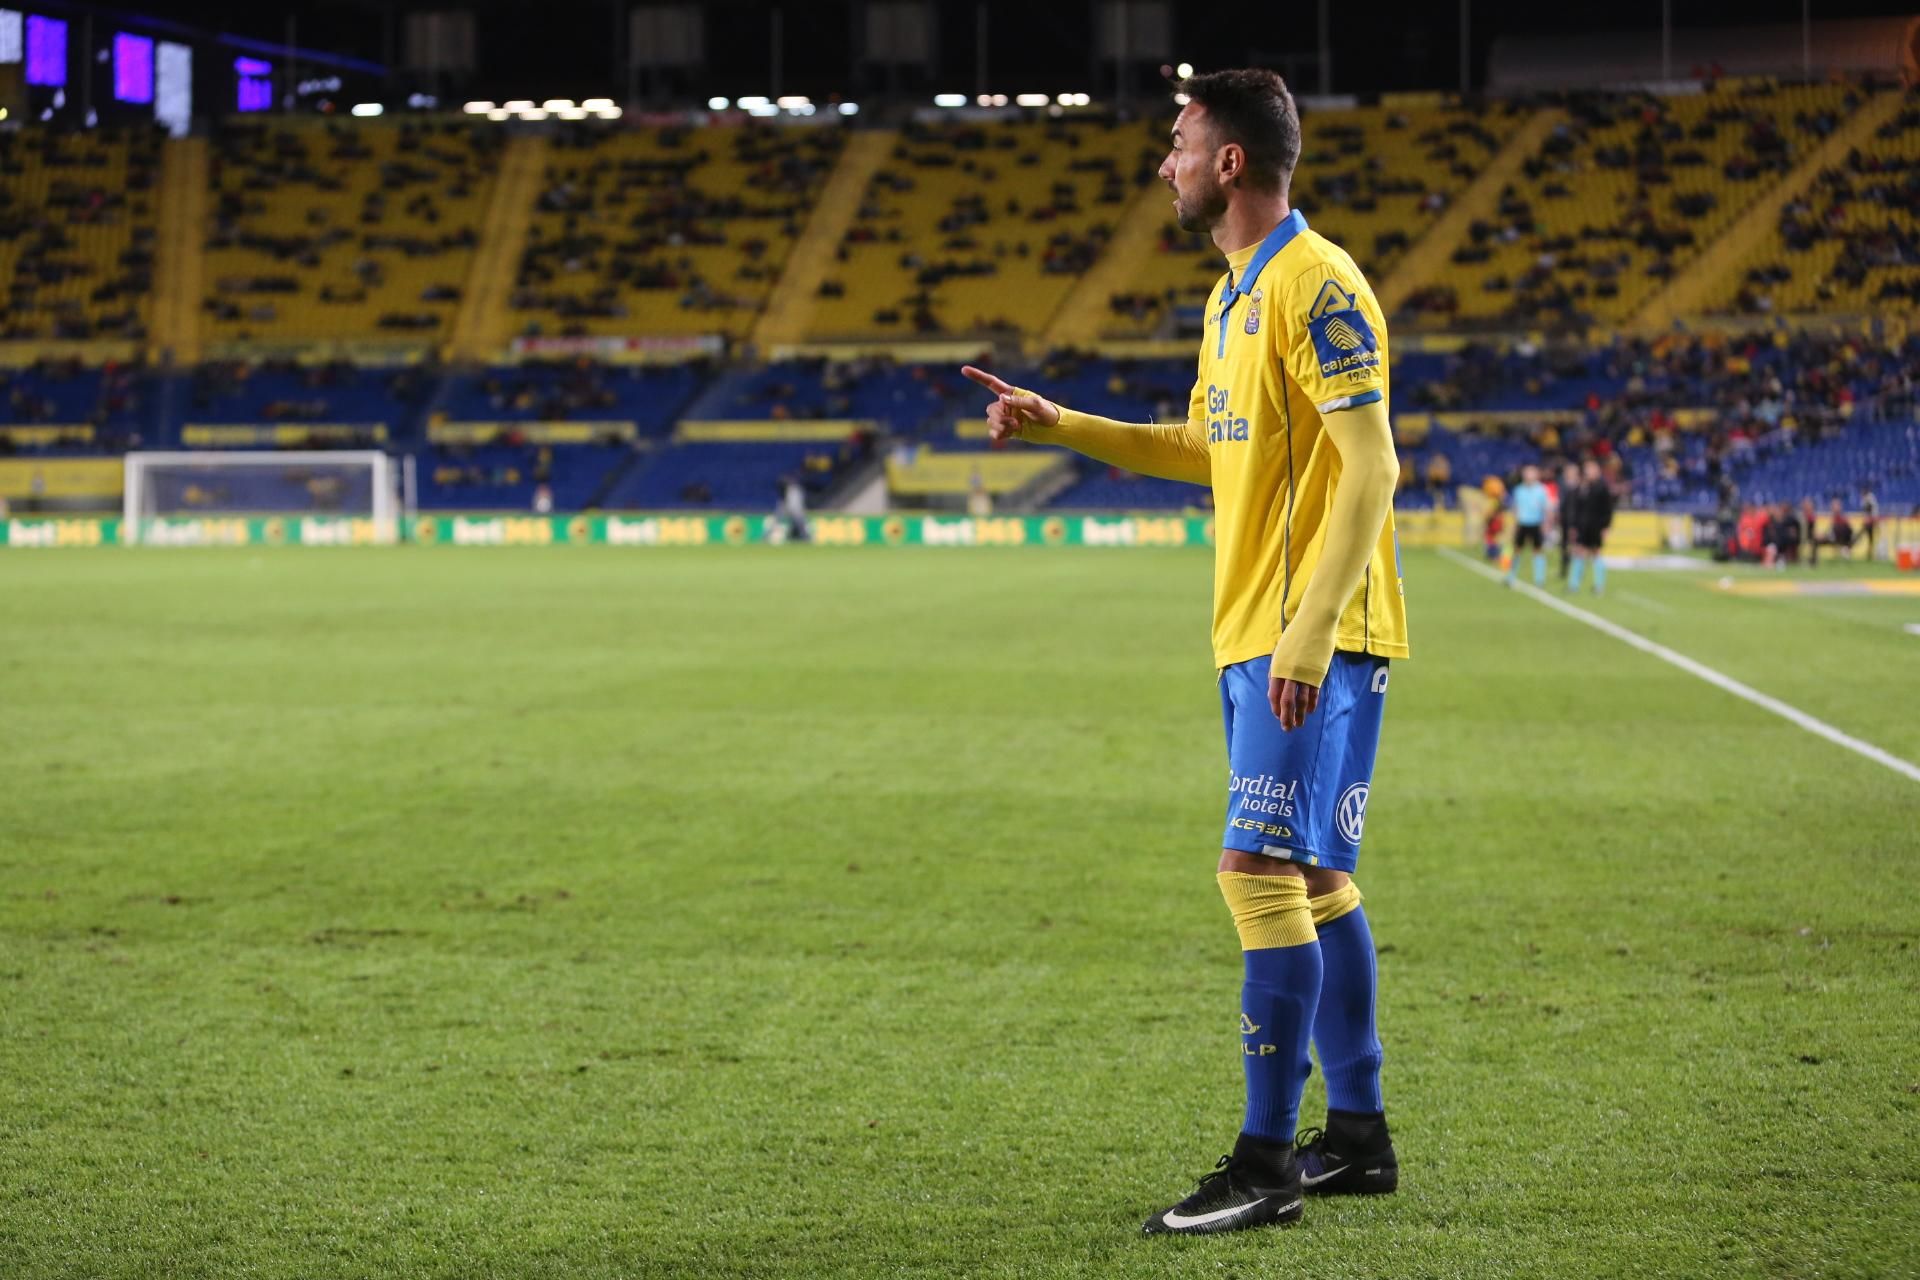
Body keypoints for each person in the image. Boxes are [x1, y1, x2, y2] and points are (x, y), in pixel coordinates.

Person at [962, 67, 1407, 1237]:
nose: (1164, 162)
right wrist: (1065, 423)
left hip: (1309, 630)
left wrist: (1310, 628)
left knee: (1255, 871)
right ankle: (1358, 1137)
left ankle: (1265, 1163)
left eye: (1178, 142)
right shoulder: (1230, 299)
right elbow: (1211, 448)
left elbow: (1373, 464)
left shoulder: (1316, 281)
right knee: (1313, 878)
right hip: (1261, 627)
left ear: (1228, 161)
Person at [1567, 458, 1613, 594]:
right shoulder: (1582, 487)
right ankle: (1574, 585)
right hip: (1583, 527)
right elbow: (1577, 508)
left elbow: (1608, 510)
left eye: (1591, 469)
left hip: (1596, 527)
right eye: (1587, 469)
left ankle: (1599, 585)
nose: (1589, 472)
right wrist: (1574, 526)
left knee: (1596, 553)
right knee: (1579, 552)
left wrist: (1606, 527)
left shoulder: (1602, 488)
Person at [1504, 464, 1550, 587]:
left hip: (1536, 523)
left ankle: (1539, 579)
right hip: (1522, 523)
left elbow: (1545, 508)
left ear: (1536, 475)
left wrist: (1546, 523)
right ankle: (1511, 576)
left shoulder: (1541, 489)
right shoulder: (1519, 490)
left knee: (1538, 551)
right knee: (1517, 550)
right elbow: (1516, 508)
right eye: (1527, 473)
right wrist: (1514, 524)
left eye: (1531, 473)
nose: (1529, 475)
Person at [1556, 462, 1582, 582]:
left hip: (1577, 520)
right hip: (1565, 519)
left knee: (1576, 545)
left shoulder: (1580, 485)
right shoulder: (1562, 485)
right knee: (1564, 544)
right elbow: (1561, 503)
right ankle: (1564, 568)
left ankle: (1577, 570)